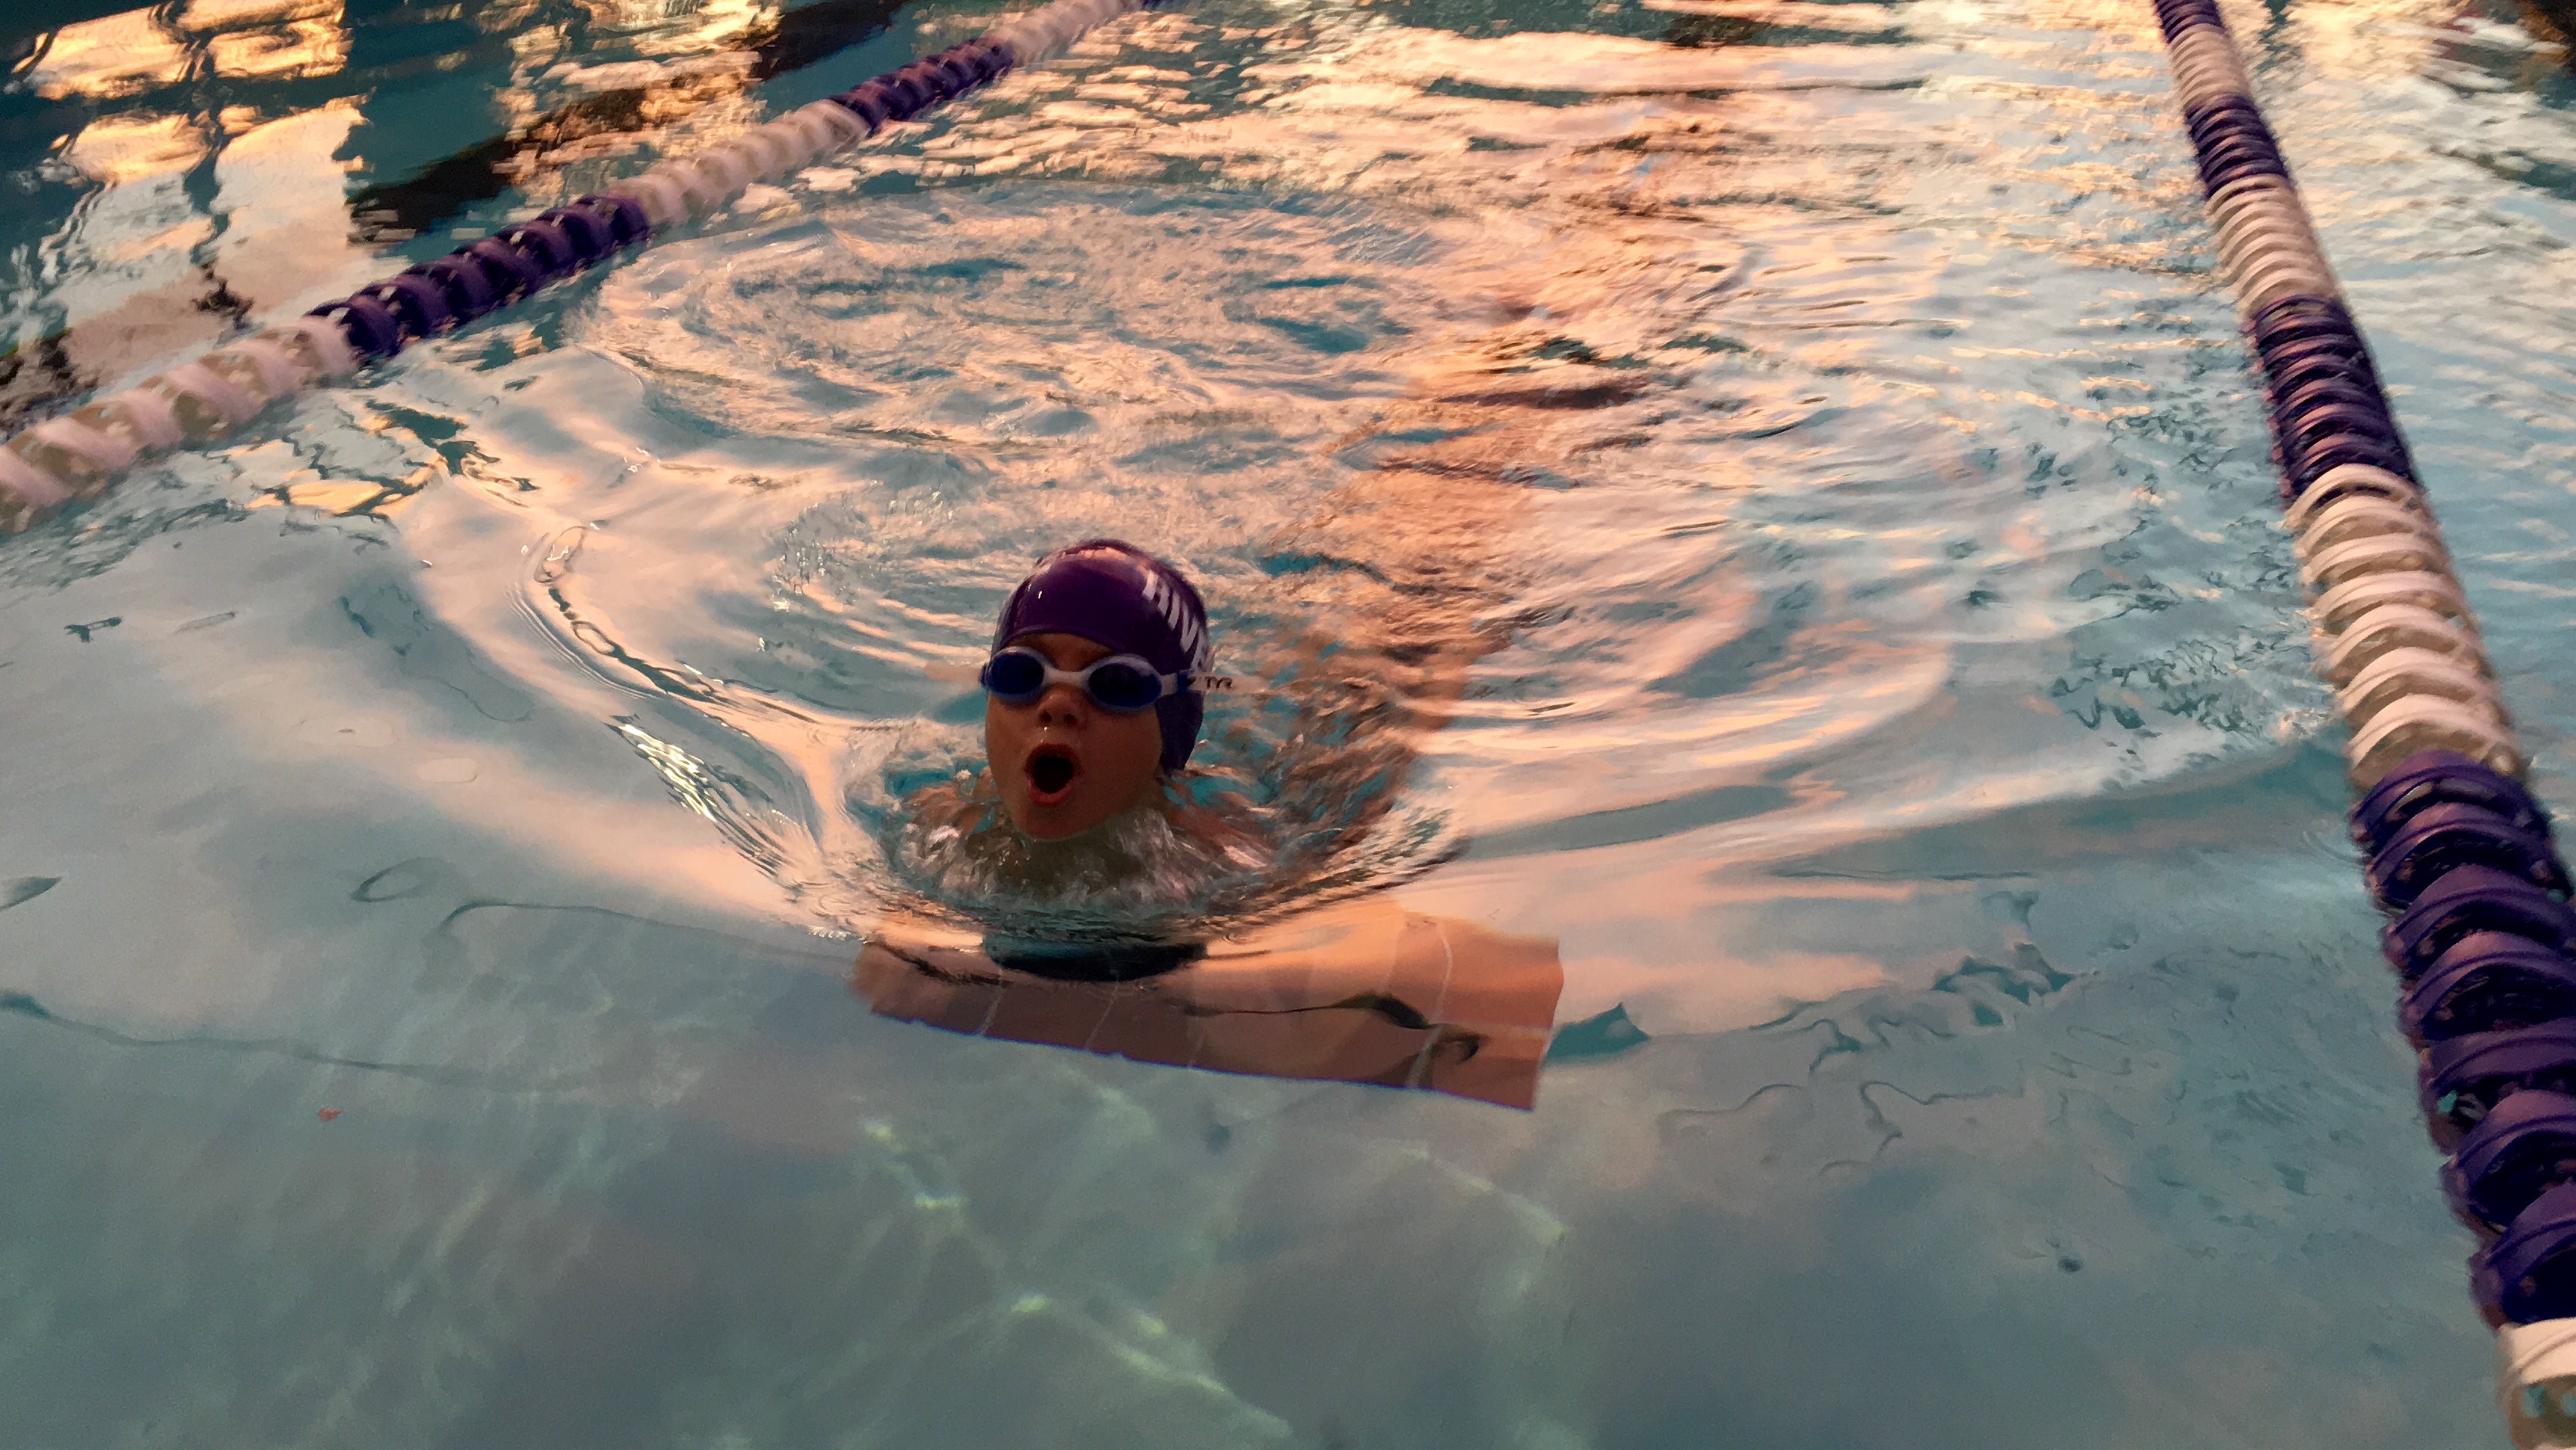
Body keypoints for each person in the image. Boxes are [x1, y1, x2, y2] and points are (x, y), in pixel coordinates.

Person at [853, 537, 1565, 1107]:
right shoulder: (935, 822)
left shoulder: (1231, 866)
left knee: (1409, 642)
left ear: (1171, 733)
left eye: (1116, 685)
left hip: (1327, 757)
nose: (1057, 707)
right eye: (1021, 675)